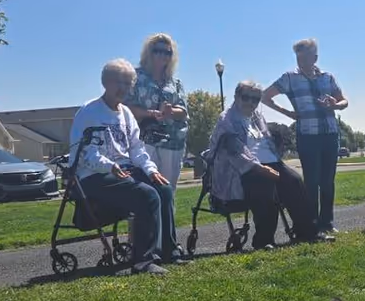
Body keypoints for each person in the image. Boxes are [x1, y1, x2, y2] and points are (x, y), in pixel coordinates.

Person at [69, 59, 183, 275]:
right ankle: (143, 262)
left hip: (124, 170)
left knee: (164, 189)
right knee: (146, 195)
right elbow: (84, 151)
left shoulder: (126, 114)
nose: (122, 88)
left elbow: (137, 149)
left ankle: (169, 252)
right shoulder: (89, 111)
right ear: (105, 82)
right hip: (94, 176)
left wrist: (151, 170)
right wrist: (109, 166)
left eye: (127, 83)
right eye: (117, 82)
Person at [207, 80, 334, 250]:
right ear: (236, 97)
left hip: (271, 163)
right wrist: (260, 168)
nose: (251, 103)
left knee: (294, 180)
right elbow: (235, 152)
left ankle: (307, 232)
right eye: (246, 98)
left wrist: (276, 161)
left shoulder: (256, 116)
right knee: (264, 184)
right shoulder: (227, 120)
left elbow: (266, 142)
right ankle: (263, 240)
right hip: (241, 171)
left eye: (255, 99)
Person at [262, 39, 348, 235]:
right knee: (312, 181)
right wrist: (287, 113)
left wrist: (335, 104)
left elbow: (345, 101)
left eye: (305, 56)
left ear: (315, 57)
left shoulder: (328, 77)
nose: (301, 61)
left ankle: (327, 222)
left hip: (330, 133)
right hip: (307, 135)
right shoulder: (290, 78)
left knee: (328, 181)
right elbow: (265, 96)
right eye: (298, 57)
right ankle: (312, 224)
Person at [126, 33, 189, 190]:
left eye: (168, 52)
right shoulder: (135, 77)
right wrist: (150, 113)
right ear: (149, 52)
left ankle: (167, 216)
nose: (163, 55)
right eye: (158, 50)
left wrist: (170, 111)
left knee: (168, 190)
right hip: (144, 141)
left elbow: (184, 111)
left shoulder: (175, 83)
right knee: (146, 189)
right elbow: (125, 108)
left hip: (173, 142)